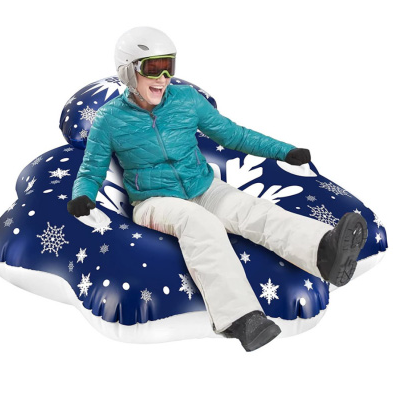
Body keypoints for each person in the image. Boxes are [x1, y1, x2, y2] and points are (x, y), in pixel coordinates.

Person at [67, 26, 368, 352]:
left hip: (203, 185)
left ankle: (324, 251)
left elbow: (232, 134)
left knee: (251, 210)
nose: (164, 77)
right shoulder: (109, 119)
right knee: (200, 223)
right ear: (128, 70)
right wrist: (82, 196)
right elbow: (91, 169)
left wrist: (284, 151)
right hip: (154, 201)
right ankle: (241, 318)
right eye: (153, 68)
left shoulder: (185, 100)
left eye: (169, 66)